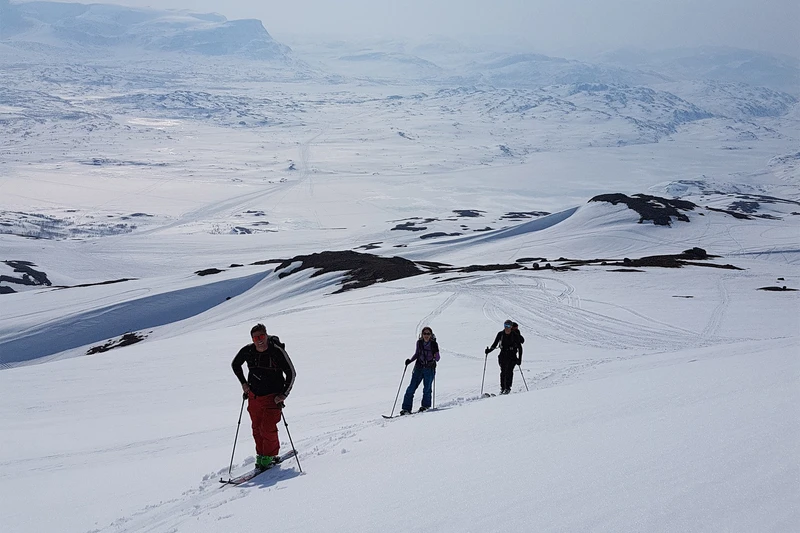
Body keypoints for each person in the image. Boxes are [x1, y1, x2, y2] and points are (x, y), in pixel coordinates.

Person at [232, 323, 296, 471]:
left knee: (267, 428)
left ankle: (269, 456)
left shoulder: (276, 352)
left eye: (261, 336)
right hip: (254, 396)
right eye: (255, 338)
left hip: (273, 398)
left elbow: (291, 373)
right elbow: (235, 364)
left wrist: (284, 394)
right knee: (256, 428)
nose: (259, 340)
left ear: (266, 335)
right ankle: (261, 455)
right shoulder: (248, 351)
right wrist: (243, 383)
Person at [400, 326, 440, 415]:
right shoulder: (419, 343)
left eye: (428, 334)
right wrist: (410, 361)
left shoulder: (434, 344)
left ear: (431, 335)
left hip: (429, 369)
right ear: (422, 334)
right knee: (411, 388)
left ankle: (425, 406)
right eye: (424, 333)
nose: (426, 335)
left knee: (427, 389)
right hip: (419, 367)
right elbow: (417, 354)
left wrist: (435, 354)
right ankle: (406, 409)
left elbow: (438, 358)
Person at [485, 319, 524, 394]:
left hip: (512, 356)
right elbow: (495, 344)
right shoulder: (500, 334)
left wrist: (519, 359)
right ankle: (503, 388)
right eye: (505, 325)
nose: (507, 327)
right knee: (503, 371)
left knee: (509, 371)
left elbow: (520, 348)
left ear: (511, 327)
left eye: (508, 326)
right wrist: (489, 351)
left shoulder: (515, 335)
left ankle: (507, 388)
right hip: (503, 355)